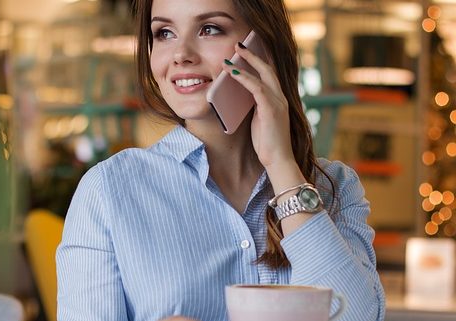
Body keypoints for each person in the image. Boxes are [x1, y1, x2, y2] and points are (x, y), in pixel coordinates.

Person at [56, 0, 386, 320]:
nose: (181, 55)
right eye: (164, 33)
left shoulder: (334, 186)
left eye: (210, 29)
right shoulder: (109, 190)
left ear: (261, 47)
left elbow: (356, 316)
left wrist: (281, 164)